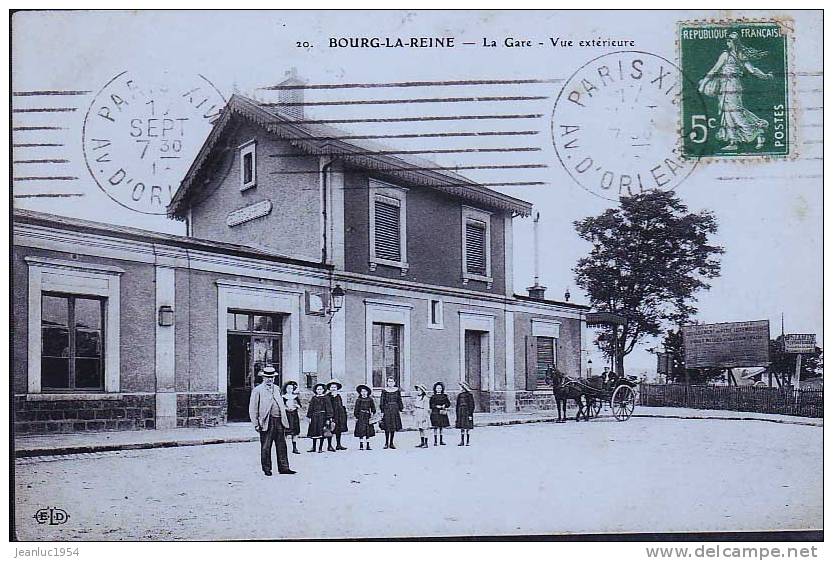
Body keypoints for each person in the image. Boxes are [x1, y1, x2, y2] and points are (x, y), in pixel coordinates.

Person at [697, 31, 774, 151]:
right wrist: (766, 76)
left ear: (734, 42)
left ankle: (758, 132)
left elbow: (715, 70)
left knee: (735, 113)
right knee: (728, 113)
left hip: (731, 86)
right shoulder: (735, 55)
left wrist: (703, 85)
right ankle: (734, 141)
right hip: (726, 85)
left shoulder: (731, 55)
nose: (727, 42)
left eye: (729, 40)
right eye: (727, 40)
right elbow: (751, 70)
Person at [248, 366, 295, 475]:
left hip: (279, 420)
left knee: (282, 445)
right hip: (266, 421)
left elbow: (281, 404)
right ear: (263, 378)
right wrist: (256, 424)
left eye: (272, 377)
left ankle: (284, 468)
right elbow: (253, 408)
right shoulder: (257, 390)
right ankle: (267, 469)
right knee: (266, 446)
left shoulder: (277, 388)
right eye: (267, 377)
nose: (270, 379)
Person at [306, 383, 334, 453]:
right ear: (315, 390)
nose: (319, 390)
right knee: (314, 432)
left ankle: (320, 448)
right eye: (318, 389)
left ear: (323, 390)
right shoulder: (314, 398)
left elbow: (329, 408)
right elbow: (310, 408)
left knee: (322, 432)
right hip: (314, 417)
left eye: (320, 389)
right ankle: (314, 447)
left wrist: (328, 418)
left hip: (323, 417)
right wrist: (309, 417)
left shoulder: (326, 398)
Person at [379, 376, 403, 449]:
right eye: (389, 381)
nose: (390, 383)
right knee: (387, 427)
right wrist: (382, 411)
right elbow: (382, 401)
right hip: (387, 410)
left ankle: (391, 443)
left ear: (394, 383)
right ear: (387, 382)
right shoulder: (384, 391)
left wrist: (401, 409)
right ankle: (386, 443)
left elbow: (399, 400)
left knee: (393, 426)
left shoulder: (397, 391)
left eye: (392, 381)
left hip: (395, 410)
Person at [327, 379, 349, 451]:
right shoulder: (327, 397)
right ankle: (329, 445)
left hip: (339, 415)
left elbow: (341, 405)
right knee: (330, 430)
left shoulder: (338, 396)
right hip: (331, 415)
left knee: (338, 430)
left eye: (335, 387)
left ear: (337, 388)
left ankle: (338, 445)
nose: (333, 389)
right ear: (329, 388)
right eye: (332, 387)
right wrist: (329, 416)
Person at [353, 384, 376, 451]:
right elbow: (356, 409)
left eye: (365, 391)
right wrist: (356, 416)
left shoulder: (370, 399)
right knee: (361, 430)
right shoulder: (358, 400)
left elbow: (373, 408)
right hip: (360, 416)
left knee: (368, 430)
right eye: (362, 391)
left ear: (367, 392)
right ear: (360, 392)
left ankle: (368, 444)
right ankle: (361, 444)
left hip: (367, 416)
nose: (364, 393)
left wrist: (372, 413)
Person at [282, 380, 302, 454]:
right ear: (286, 389)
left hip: (294, 415)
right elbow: (281, 406)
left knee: (295, 431)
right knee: (286, 431)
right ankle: (284, 448)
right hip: (287, 415)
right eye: (288, 388)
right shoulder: (283, 397)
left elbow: (300, 406)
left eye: (291, 388)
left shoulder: (295, 397)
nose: (290, 390)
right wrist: (285, 408)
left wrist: (296, 406)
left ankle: (294, 448)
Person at [429, 381, 451, 446]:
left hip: (442, 412)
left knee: (441, 427)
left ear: (442, 389)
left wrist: (445, 405)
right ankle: (435, 441)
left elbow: (448, 403)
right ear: (435, 389)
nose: (439, 389)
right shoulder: (433, 396)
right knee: (435, 427)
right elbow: (431, 405)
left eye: (440, 388)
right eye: (437, 388)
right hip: (435, 413)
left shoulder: (444, 396)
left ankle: (441, 440)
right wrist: (436, 406)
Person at [455, 381, 475, 446]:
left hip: (467, 412)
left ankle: (467, 441)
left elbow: (472, 405)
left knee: (467, 427)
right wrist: (457, 414)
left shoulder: (469, 395)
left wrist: (470, 414)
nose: (460, 388)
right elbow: (457, 405)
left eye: (461, 387)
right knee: (462, 427)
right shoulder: (459, 395)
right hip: (461, 412)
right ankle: (462, 441)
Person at [413, 384, 430, 448]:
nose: (418, 391)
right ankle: (422, 442)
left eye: (420, 390)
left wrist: (424, 417)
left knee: (424, 428)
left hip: (423, 413)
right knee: (420, 428)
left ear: (423, 391)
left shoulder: (425, 398)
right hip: (418, 413)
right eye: (418, 390)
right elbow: (416, 406)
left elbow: (426, 408)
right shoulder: (417, 397)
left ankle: (426, 443)